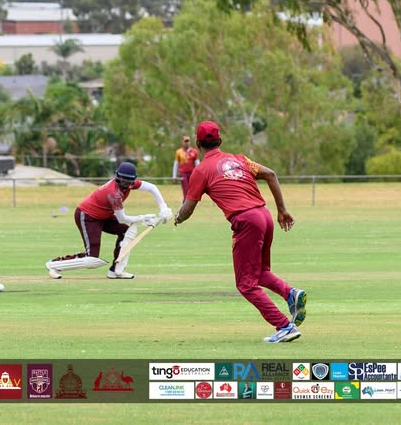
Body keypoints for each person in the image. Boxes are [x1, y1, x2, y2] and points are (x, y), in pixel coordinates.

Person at [173, 121, 306, 343]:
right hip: (264, 215)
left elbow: (188, 207)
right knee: (260, 272)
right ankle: (290, 293)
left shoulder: (201, 170)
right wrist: (281, 210)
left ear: (197, 143)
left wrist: (177, 218)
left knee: (245, 284)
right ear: (220, 141)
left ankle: (284, 325)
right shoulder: (240, 159)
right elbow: (271, 174)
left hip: (246, 220)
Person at [45, 162, 172, 280]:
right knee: (91, 259)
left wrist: (163, 207)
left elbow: (152, 187)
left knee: (126, 232)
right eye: (123, 179)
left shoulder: (131, 184)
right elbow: (122, 218)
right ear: (117, 177)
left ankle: (116, 270)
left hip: (105, 215)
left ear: (133, 179)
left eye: (129, 180)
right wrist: (142, 218)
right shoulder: (114, 194)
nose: (126, 183)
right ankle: (54, 265)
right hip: (87, 216)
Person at [172, 135, 200, 200]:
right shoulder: (178, 152)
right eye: (185, 141)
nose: (187, 142)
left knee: (192, 189)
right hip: (183, 173)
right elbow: (176, 164)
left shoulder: (194, 151)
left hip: (192, 173)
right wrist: (174, 176)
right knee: (186, 189)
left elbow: (197, 164)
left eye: (188, 141)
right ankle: (185, 204)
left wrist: (199, 175)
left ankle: (187, 204)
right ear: (182, 142)